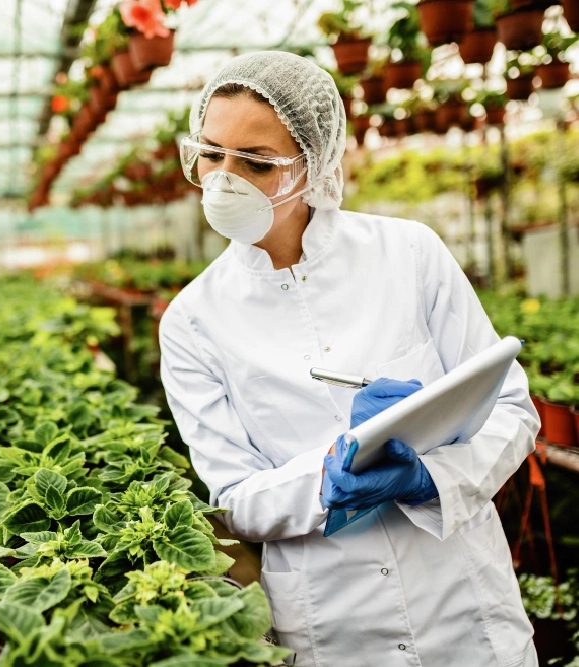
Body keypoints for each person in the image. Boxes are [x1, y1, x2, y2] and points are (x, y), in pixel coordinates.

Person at [159, 50, 540, 667]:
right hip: (333, 623)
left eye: (256, 162)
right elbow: (234, 496)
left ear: (313, 164)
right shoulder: (192, 320)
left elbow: (512, 409)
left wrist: (432, 478)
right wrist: (327, 476)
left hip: (461, 603)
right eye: (210, 153)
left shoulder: (408, 253)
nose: (225, 179)